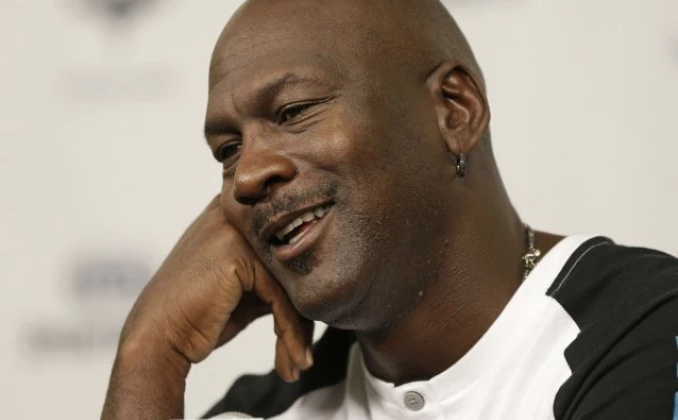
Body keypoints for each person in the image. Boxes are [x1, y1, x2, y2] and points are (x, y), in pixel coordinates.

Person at [101, 0, 678, 419]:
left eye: (294, 111)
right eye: (228, 151)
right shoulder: (265, 408)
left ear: (454, 111)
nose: (247, 176)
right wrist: (149, 357)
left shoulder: (644, 336)